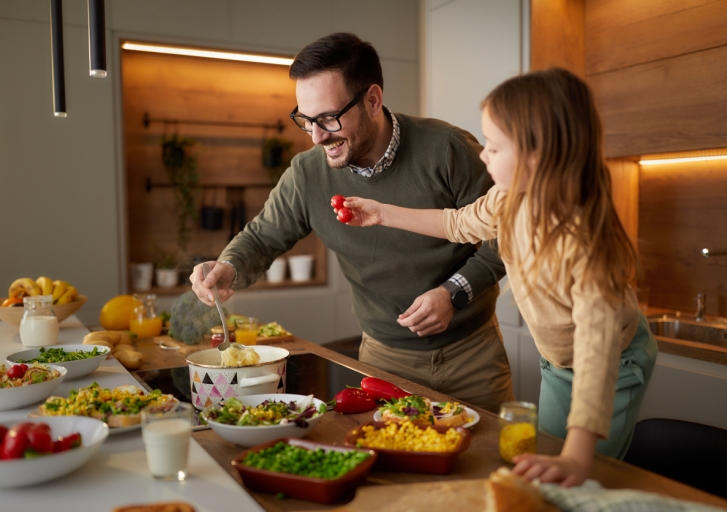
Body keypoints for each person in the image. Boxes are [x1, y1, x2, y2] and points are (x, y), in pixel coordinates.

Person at [339, 68, 658, 486]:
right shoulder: (510, 199)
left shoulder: (585, 243)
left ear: (536, 155)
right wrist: (382, 212)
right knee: (545, 469)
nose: (483, 155)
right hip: (560, 360)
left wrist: (578, 460)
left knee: (578, 478)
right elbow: (457, 223)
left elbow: (597, 353)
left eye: (493, 146)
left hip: (610, 363)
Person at [189, 33, 514, 412]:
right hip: (383, 359)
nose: (316, 136)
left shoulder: (447, 149)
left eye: (328, 118)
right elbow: (261, 238)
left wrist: (454, 292)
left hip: (472, 353)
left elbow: (508, 235)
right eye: (305, 119)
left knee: (492, 462)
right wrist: (228, 267)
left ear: (373, 100)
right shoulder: (307, 174)